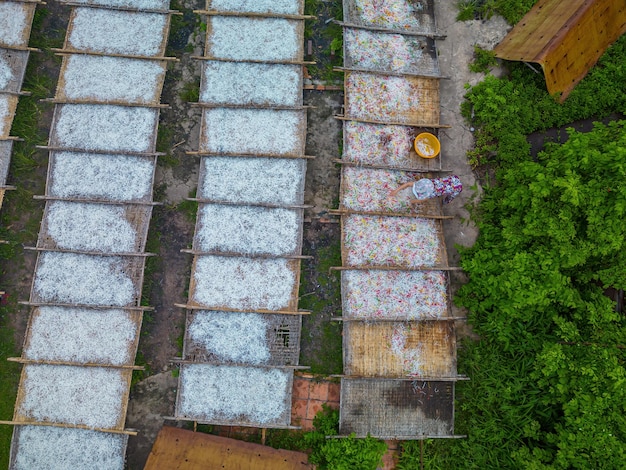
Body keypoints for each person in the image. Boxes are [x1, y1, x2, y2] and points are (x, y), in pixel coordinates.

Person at [389, 175, 462, 204]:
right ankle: (455, 180)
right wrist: (395, 191)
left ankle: (446, 201)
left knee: (450, 196)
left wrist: (408, 202)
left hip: (455, 188)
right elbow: (407, 184)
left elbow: (420, 200)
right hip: (452, 179)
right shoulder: (425, 184)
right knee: (446, 180)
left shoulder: (430, 194)